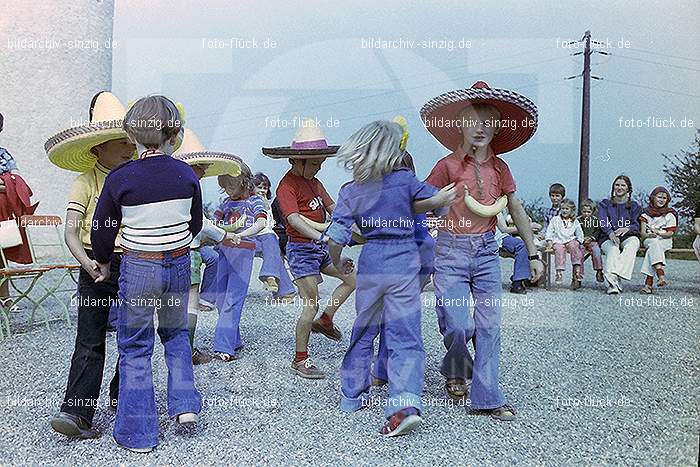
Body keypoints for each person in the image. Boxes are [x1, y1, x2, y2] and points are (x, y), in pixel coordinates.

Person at [420, 81, 543, 420]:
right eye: (473, 119)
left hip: (487, 252)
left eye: (488, 120)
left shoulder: (501, 168)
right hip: (450, 251)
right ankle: (457, 367)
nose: (481, 127)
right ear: (460, 124)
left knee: (489, 327)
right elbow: (418, 203)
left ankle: (487, 396)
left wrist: (533, 254)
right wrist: (436, 201)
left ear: (497, 127)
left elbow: (515, 208)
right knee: (459, 324)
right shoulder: (446, 166)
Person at [327, 120, 455, 436]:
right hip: (403, 261)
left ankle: (352, 396)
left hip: (371, 261)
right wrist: (438, 201)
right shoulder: (405, 180)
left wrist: (337, 261)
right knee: (405, 336)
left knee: (364, 329)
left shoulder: (350, 191)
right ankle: (404, 405)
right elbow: (436, 207)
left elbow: (336, 236)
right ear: (394, 150)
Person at [91, 95, 202, 453]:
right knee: (176, 334)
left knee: (137, 347)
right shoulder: (186, 173)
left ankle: (139, 433)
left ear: (131, 135)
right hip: (180, 263)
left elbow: (102, 229)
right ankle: (184, 406)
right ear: (174, 135)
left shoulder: (121, 177)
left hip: (140, 266)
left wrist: (105, 260)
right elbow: (195, 223)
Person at [45, 91, 133, 439]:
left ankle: (122, 395)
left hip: (132, 265)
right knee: (90, 338)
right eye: (118, 142)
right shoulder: (84, 181)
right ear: (97, 148)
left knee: (132, 336)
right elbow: (70, 232)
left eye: (130, 141)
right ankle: (78, 413)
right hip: (93, 266)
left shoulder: (135, 181)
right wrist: (91, 264)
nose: (127, 148)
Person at [262, 118, 356, 379]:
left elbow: (333, 208)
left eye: (320, 162)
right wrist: (322, 235)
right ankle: (300, 359)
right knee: (309, 304)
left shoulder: (314, 182)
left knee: (352, 279)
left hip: (318, 247)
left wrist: (351, 219)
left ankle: (327, 318)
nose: (318, 167)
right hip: (301, 249)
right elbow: (293, 220)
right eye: (314, 163)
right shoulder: (286, 186)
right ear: (296, 160)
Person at [172, 128, 244, 364]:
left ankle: (175, 347)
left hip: (168, 252)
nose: (203, 171)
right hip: (189, 252)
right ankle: (187, 349)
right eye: (200, 165)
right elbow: (200, 224)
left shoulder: (170, 187)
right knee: (190, 300)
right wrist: (225, 235)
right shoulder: (190, 188)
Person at [211, 169, 267, 361]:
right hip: (224, 251)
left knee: (233, 298)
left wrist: (241, 234)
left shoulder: (254, 201)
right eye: (224, 186)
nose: (227, 190)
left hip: (243, 251)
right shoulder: (226, 203)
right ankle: (234, 339)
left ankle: (223, 347)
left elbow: (261, 223)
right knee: (220, 298)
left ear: (244, 181)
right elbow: (214, 222)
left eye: (231, 185)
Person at [252, 171, 296, 302]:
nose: (263, 190)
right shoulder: (249, 202)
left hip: (265, 238)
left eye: (265, 188)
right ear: (251, 188)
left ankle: (284, 291)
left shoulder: (267, 205)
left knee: (273, 248)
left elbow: (270, 224)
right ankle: (271, 276)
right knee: (271, 242)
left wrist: (265, 206)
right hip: (251, 237)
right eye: (259, 187)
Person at [598, 175, 642, 295]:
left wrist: (627, 228)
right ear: (613, 187)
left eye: (623, 185)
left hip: (628, 236)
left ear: (628, 188)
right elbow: (602, 220)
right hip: (607, 237)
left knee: (633, 244)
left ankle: (613, 275)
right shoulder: (605, 204)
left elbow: (638, 224)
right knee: (613, 249)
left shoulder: (634, 206)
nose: (619, 187)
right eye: (617, 185)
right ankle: (612, 286)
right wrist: (610, 232)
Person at [639, 186, 677, 294]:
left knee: (652, 250)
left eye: (664, 198)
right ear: (653, 198)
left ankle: (648, 284)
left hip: (665, 240)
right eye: (659, 197)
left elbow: (670, 233)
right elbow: (643, 233)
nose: (661, 200)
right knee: (653, 243)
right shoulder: (646, 214)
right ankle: (660, 275)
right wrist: (650, 235)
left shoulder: (670, 214)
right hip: (650, 239)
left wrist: (659, 233)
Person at [545, 198, 584, 289]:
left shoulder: (575, 221)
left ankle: (577, 270)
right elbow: (549, 231)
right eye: (563, 209)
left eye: (567, 209)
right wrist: (549, 240)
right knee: (559, 250)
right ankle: (559, 272)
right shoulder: (555, 219)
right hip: (558, 240)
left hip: (570, 240)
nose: (564, 211)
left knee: (575, 247)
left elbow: (579, 233)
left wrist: (579, 241)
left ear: (571, 210)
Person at [495, 212, 538, 294]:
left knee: (528, 246)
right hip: (496, 238)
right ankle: (518, 281)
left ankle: (525, 278)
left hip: (500, 236)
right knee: (522, 245)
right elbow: (504, 229)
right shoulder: (494, 206)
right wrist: (528, 227)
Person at [578, 199, 604, 283]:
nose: (586, 214)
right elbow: (575, 231)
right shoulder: (578, 221)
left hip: (592, 241)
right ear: (581, 211)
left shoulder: (595, 220)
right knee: (579, 253)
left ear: (592, 212)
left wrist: (592, 238)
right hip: (581, 241)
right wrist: (582, 238)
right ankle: (578, 275)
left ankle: (599, 270)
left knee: (596, 250)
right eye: (584, 211)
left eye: (588, 212)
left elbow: (598, 231)